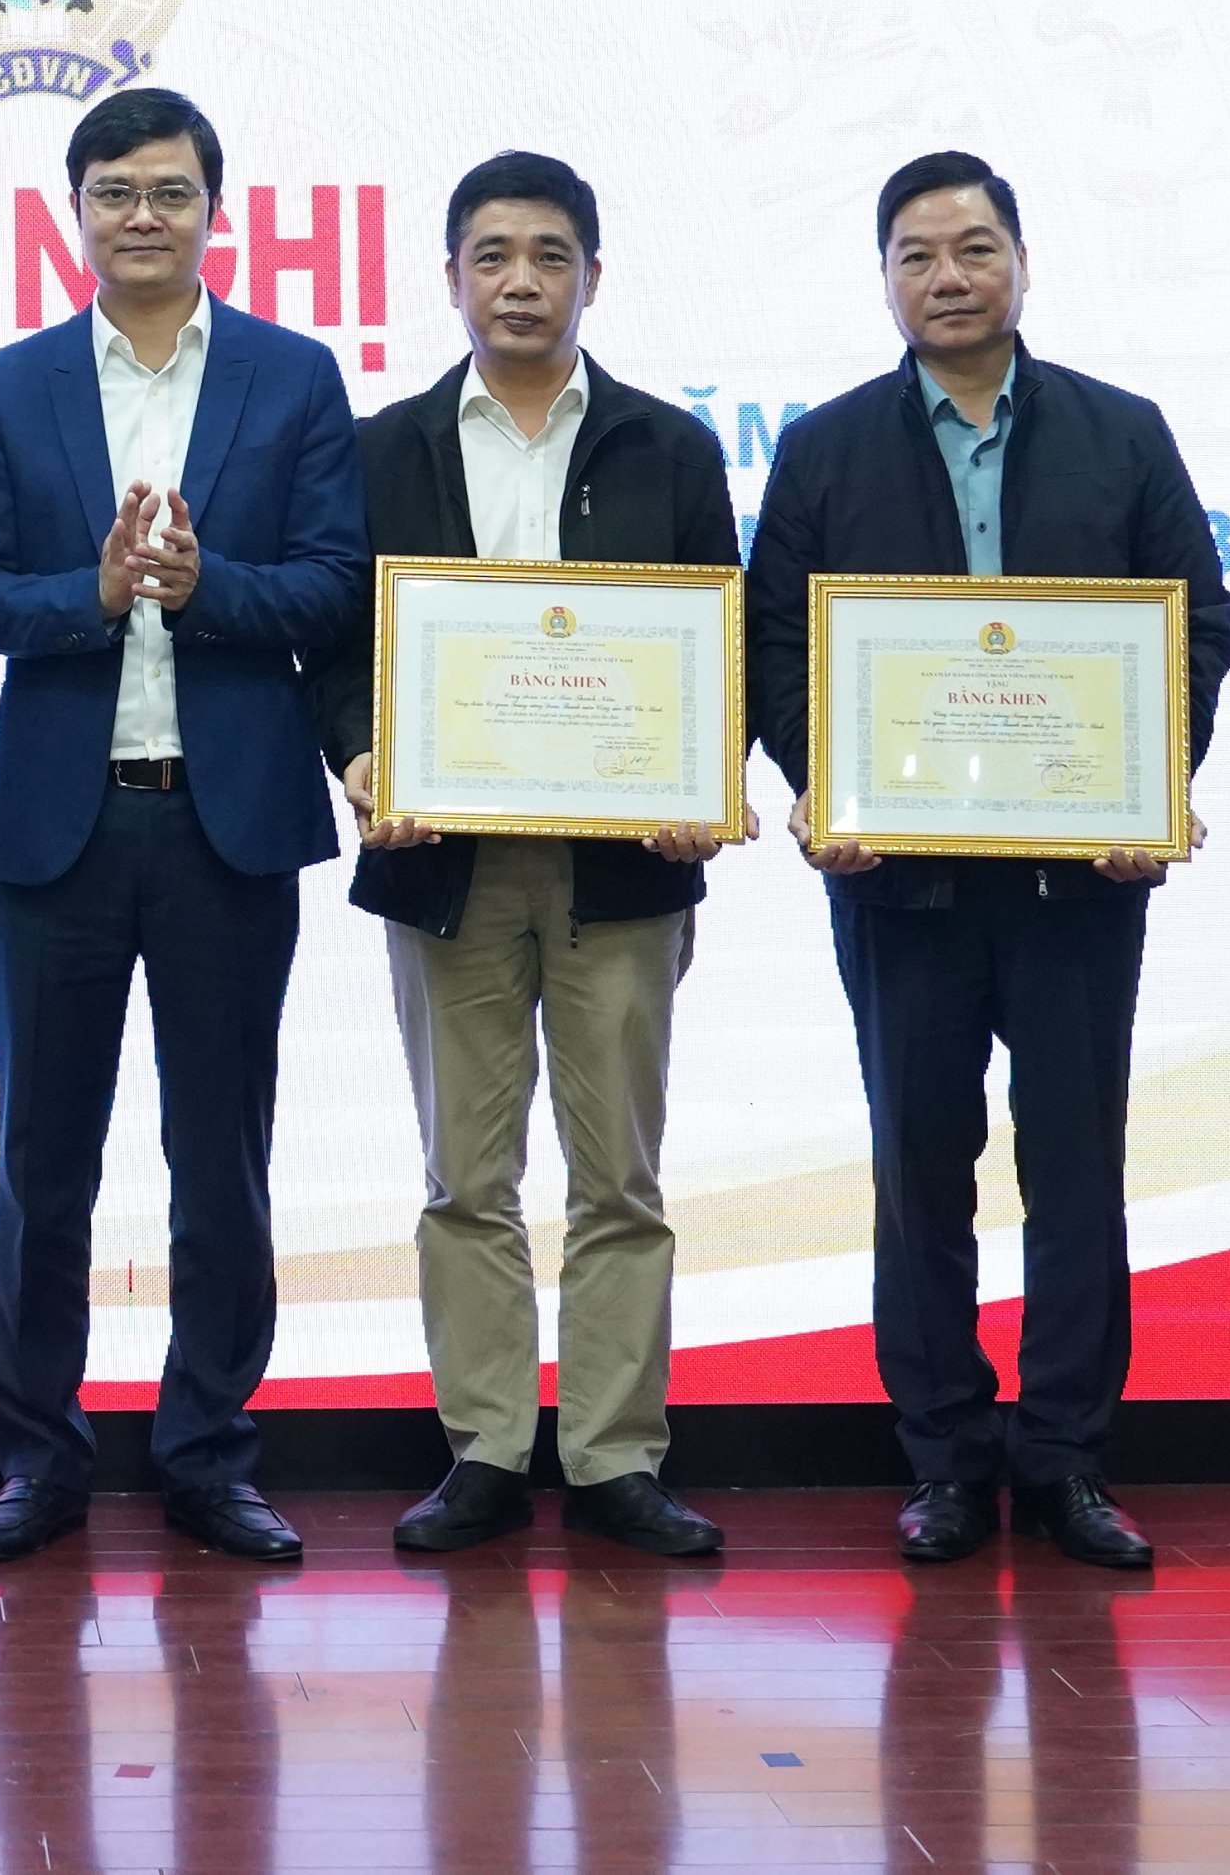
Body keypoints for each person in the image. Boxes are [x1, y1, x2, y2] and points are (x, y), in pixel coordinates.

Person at [746, 150, 1230, 1571]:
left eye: (972, 249)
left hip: (1076, 881)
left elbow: (1194, 623)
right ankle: (947, 1460)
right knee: (920, 1169)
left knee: (1075, 1167)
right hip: (897, 880)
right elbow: (776, 642)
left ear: (1022, 263)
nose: (947, 277)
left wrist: (1151, 784)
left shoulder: (1120, 433)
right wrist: (822, 784)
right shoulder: (824, 449)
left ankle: (1067, 1459)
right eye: (916, 255)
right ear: (883, 279)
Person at [0, 86, 368, 1564]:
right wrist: (99, 593)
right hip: (56, 832)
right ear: (75, 213)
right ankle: (35, 1461)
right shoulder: (12, 384)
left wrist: (205, 586)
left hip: (224, 826)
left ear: (212, 212)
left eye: (170, 191)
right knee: (40, 1163)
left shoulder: (292, 377)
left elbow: (336, 584)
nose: (141, 215)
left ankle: (208, 1453)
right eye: (114, 190)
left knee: (221, 1160)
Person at [307, 150, 740, 1561]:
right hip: (448, 865)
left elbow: (718, 642)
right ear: (449, 278)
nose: (519, 282)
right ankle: (485, 1447)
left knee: (619, 1179)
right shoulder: (381, 449)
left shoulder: (668, 448)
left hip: (621, 870)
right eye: (490, 256)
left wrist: (702, 779)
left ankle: (614, 1455)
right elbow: (334, 644)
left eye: (548, 256)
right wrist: (359, 758)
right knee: (463, 1177)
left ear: (591, 277)